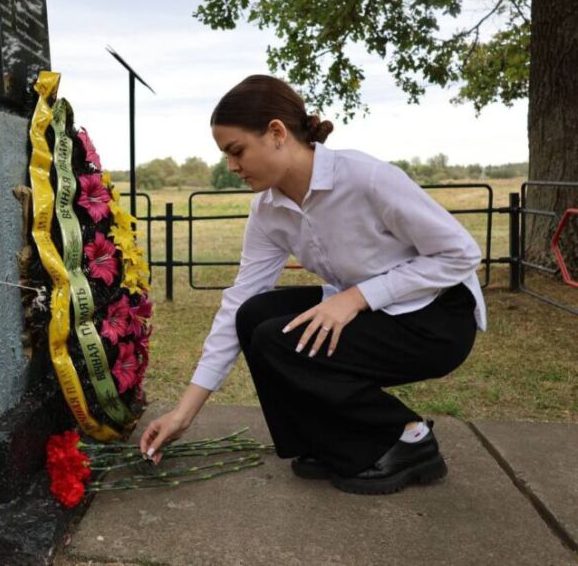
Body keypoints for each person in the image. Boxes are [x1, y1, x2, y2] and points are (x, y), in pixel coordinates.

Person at [138, 74, 486, 495]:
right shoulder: (268, 210)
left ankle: (407, 437)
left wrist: (358, 297)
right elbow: (239, 301)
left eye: (237, 151)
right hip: (377, 312)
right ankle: (322, 441)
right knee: (253, 316)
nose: (231, 167)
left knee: (279, 340)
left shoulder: (366, 178)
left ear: (277, 133)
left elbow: (461, 254)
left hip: (437, 318)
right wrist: (184, 413)